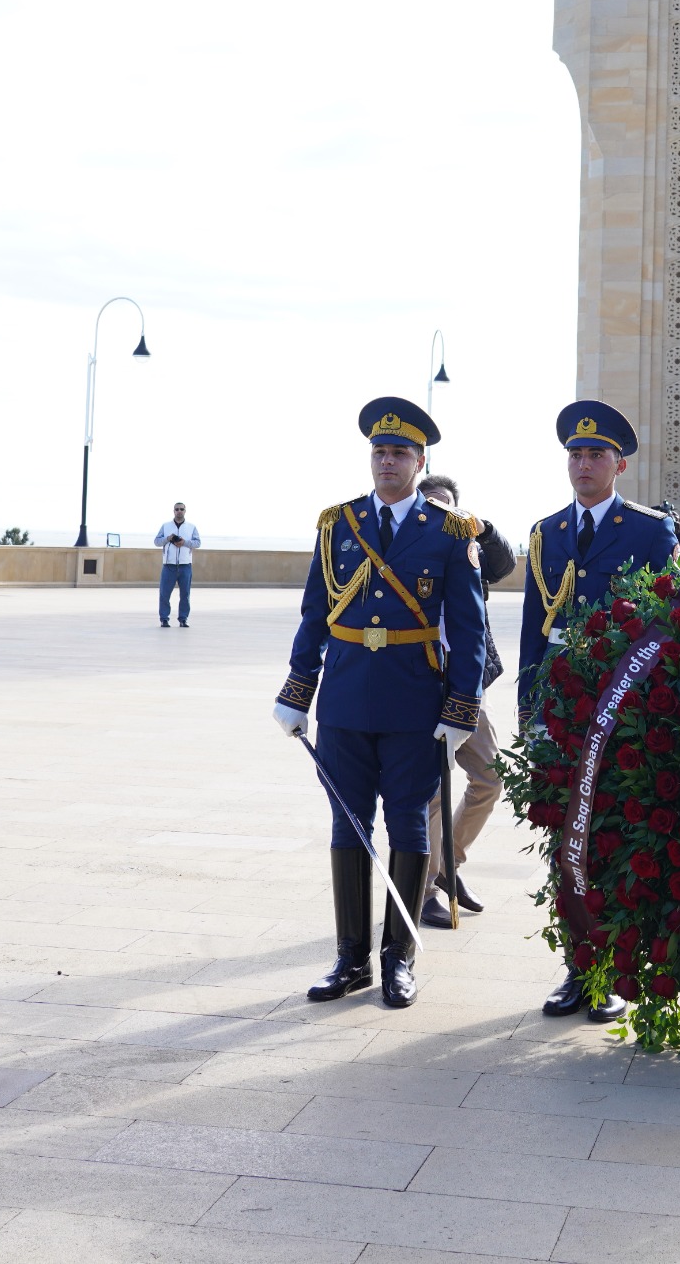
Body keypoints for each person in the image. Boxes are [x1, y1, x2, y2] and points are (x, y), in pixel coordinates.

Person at [270, 397, 486, 1010]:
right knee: (347, 824)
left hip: (414, 700)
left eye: (400, 453)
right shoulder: (338, 524)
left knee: (409, 825)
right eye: (380, 451)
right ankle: (349, 959)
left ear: (421, 463)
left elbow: (469, 630)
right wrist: (297, 687)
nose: (388, 461)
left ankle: (400, 957)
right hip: (343, 699)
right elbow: (316, 610)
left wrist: (460, 709)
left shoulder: (449, 532)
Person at [520, 399, 680, 1023]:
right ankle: (576, 968)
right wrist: (533, 712)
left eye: (596, 455)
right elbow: (536, 632)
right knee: (566, 837)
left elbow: (666, 625)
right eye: (576, 455)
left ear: (620, 465)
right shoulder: (546, 533)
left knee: (615, 837)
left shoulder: (649, 531)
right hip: (563, 704)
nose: (584, 465)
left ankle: (615, 970)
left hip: (624, 702)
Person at [417, 473, 513, 929]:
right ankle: (426, 887)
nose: (439, 511)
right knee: (433, 790)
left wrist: (482, 528)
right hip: (422, 682)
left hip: (468, 684)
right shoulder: (407, 544)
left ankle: (450, 865)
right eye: (431, 503)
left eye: (447, 504)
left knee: (490, 778)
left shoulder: (469, 545)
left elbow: (503, 565)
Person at [155, 502, 202, 627]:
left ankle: (183, 619)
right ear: (173, 511)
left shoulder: (191, 527)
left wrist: (184, 542)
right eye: (177, 509)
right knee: (164, 594)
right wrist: (168, 539)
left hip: (185, 565)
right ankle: (164, 619)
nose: (179, 511)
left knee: (185, 594)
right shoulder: (166, 526)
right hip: (168, 565)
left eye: (182, 509)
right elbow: (157, 542)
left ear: (185, 511)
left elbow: (197, 543)